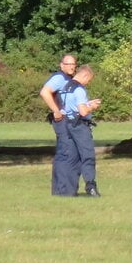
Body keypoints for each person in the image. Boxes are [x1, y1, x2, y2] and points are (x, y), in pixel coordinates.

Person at [60, 64, 102, 197]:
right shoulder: (79, 89)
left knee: (73, 157)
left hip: (68, 124)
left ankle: (69, 189)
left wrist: (87, 103)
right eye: (88, 80)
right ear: (84, 75)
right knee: (87, 156)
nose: (87, 83)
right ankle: (91, 186)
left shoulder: (66, 88)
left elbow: (71, 107)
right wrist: (93, 107)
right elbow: (83, 111)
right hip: (80, 126)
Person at [40, 54, 79, 196]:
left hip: (67, 121)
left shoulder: (69, 79)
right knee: (66, 153)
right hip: (62, 121)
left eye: (73, 64)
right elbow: (44, 92)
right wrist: (56, 111)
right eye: (68, 64)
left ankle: (61, 190)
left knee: (65, 152)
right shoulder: (59, 78)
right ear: (61, 65)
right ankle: (63, 190)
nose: (71, 66)